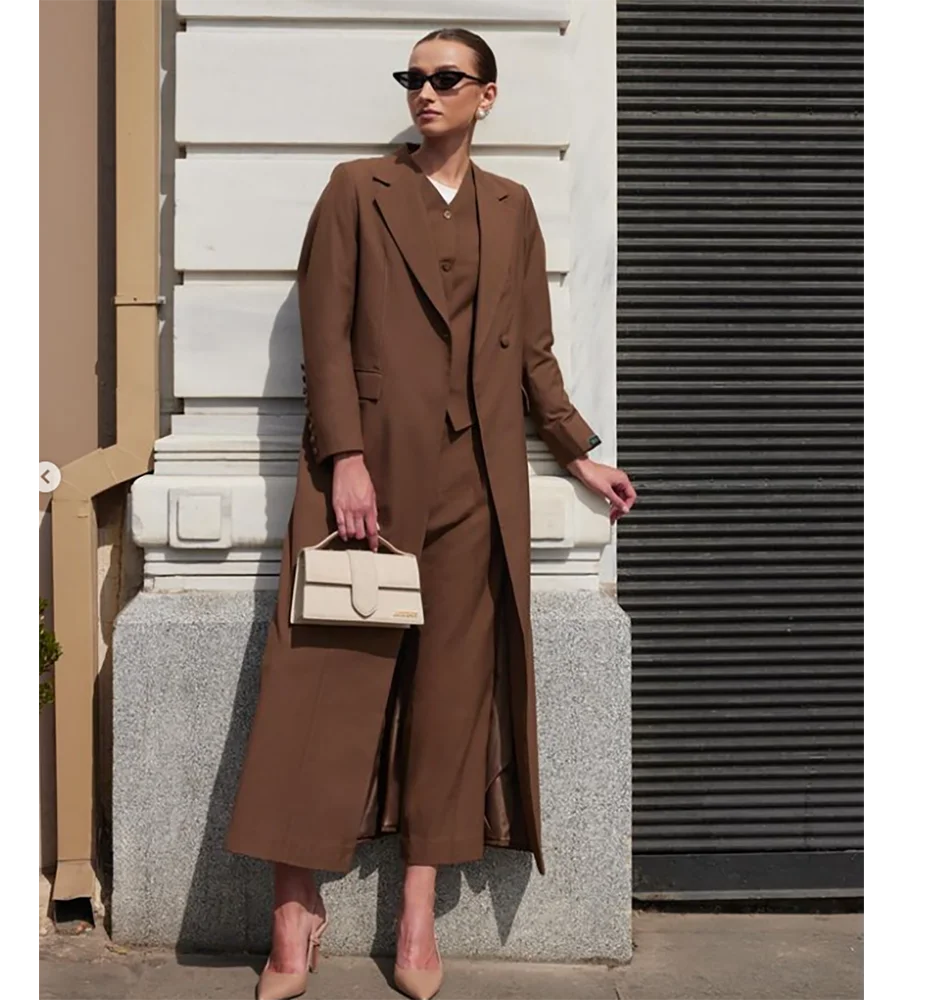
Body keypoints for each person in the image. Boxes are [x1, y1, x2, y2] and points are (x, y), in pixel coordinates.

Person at [225, 26, 638, 1000]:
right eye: (413, 77)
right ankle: (295, 909)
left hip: (478, 482)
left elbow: (532, 352)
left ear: (486, 97)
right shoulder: (355, 191)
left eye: (446, 78)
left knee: (452, 699)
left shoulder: (513, 206)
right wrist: (347, 458)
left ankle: (415, 917)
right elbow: (323, 339)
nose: (425, 92)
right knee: (322, 684)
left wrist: (578, 448)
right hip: (367, 475)